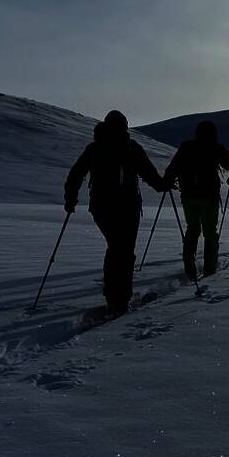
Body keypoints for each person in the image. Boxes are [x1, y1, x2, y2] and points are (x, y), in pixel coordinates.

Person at [64, 110, 166, 316]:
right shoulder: (130, 147)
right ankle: (119, 299)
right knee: (123, 250)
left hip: (102, 207)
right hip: (127, 206)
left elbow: (76, 173)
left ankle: (114, 297)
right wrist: (161, 185)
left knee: (117, 248)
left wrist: (70, 198)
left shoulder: (95, 148)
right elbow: (148, 172)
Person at [163, 120, 229, 280]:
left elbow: (172, 168)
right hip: (209, 196)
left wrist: (167, 182)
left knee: (192, 229)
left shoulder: (186, 147)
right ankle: (210, 270)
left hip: (188, 196)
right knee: (210, 233)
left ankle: (189, 259)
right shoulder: (216, 147)